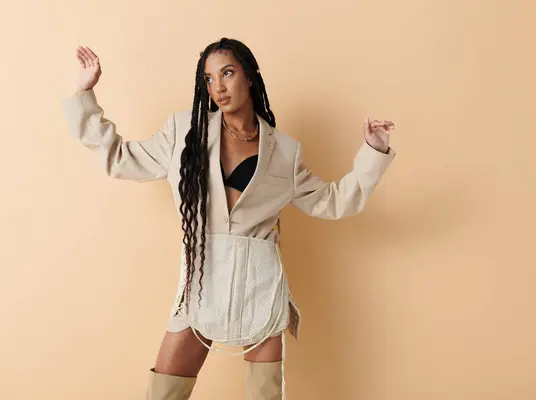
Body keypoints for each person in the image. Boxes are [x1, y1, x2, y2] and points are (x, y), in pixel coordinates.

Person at [61, 37, 396, 400]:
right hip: (202, 284)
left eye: (228, 73)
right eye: (209, 79)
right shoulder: (183, 132)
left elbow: (333, 202)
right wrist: (84, 96)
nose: (218, 87)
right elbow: (119, 158)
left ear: (249, 77)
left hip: (261, 287)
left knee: (266, 395)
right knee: (163, 394)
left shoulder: (285, 151)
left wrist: (373, 153)